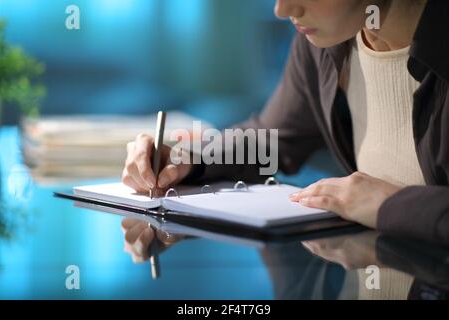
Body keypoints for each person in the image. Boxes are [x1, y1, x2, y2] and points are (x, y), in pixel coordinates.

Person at [122, 0, 449, 246]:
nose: (282, 9)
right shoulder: (325, 45)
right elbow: (271, 138)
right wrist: (187, 159)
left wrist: (391, 205)